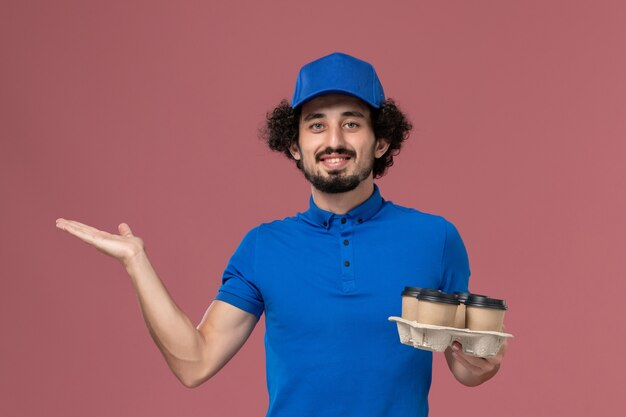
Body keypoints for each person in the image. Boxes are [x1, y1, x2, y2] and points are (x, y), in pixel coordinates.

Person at [56, 52, 507, 417]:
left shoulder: (435, 238)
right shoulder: (262, 248)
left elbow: (463, 363)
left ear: (381, 141)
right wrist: (137, 263)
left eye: (351, 122)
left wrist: (477, 367)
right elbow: (194, 363)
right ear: (295, 145)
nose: (334, 140)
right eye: (316, 125)